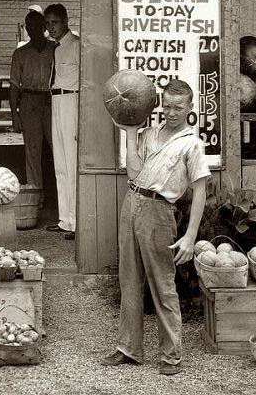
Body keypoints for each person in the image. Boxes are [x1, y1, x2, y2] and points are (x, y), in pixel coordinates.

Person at [100, 78, 210, 376]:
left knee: (162, 285)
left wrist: (189, 237)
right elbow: (133, 172)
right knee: (129, 280)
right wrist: (132, 132)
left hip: (160, 212)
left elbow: (200, 192)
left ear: (190, 107)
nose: (172, 112)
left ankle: (171, 355)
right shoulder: (148, 134)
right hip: (132, 203)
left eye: (178, 107)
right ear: (161, 105)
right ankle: (129, 349)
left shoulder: (192, 143)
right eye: (168, 106)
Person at [9, 10, 54, 195]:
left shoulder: (55, 48)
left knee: (58, 147)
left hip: (52, 101)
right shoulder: (20, 53)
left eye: (38, 25)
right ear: (26, 28)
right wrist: (14, 115)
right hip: (29, 101)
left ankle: (62, 196)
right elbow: (13, 86)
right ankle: (36, 195)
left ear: (44, 27)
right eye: (30, 26)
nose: (34, 29)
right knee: (32, 150)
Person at [45, 3, 79, 240]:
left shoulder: (76, 46)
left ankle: (76, 221)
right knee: (60, 165)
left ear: (65, 21)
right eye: (47, 23)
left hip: (71, 102)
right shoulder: (55, 49)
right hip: (56, 102)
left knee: (71, 162)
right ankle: (65, 219)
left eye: (54, 22)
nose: (50, 27)